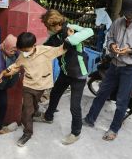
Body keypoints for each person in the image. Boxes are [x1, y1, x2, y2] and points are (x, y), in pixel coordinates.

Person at [83, 0, 132, 141]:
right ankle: (90, 119)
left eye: (130, 14)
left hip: (130, 69)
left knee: (122, 101)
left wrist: (131, 51)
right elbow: (110, 38)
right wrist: (112, 46)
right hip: (114, 66)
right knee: (102, 93)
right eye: (125, 13)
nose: (127, 17)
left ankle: (114, 129)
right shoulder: (117, 22)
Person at [35, 9, 94, 145]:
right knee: (55, 94)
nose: (47, 30)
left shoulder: (71, 28)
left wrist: (70, 40)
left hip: (78, 74)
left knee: (74, 106)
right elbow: (44, 47)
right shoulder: (55, 36)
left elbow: (89, 31)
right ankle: (48, 117)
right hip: (65, 72)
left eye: (47, 27)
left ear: (55, 25)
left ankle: (76, 132)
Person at [0, 32, 66, 147]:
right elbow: (15, 67)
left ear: (34, 45)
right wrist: (4, 73)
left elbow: (61, 49)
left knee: (34, 105)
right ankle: (27, 133)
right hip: (28, 86)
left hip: (42, 85)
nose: (24, 53)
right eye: (22, 50)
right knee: (27, 110)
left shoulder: (45, 50)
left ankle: (36, 110)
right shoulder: (22, 56)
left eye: (26, 50)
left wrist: (69, 39)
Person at [0, 34, 19, 134]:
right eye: (11, 50)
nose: (13, 52)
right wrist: (12, 72)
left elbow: (20, 60)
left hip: (3, 85)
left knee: (3, 105)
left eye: (14, 50)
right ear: (6, 46)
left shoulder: (15, 52)